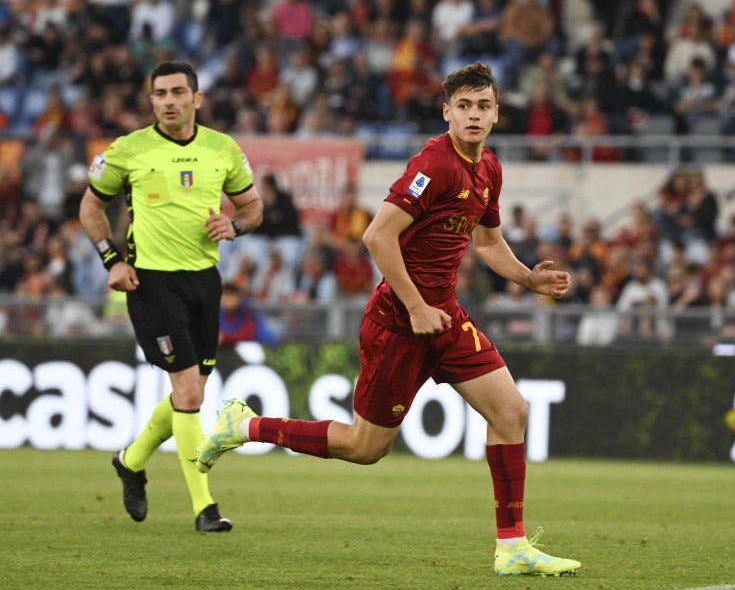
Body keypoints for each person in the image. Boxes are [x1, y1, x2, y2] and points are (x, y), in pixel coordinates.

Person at [196, 62, 581, 577]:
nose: (473, 115)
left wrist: (528, 279)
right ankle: (244, 425)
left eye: (482, 106)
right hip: (400, 322)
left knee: (511, 412)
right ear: (446, 111)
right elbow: (377, 235)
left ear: (495, 115)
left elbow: (487, 242)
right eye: (463, 106)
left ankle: (512, 548)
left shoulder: (488, 167)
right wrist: (417, 306)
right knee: (364, 447)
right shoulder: (434, 164)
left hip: (443, 317)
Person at [79, 61, 263, 532]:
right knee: (187, 389)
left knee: (193, 390)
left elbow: (253, 206)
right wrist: (111, 261)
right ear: (152, 100)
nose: (168, 100)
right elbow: (91, 206)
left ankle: (130, 460)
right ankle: (205, 508)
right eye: (160, 93)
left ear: (196, 99)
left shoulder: (222, 148)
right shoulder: (128, 150)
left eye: (178, 91)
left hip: (205, 281)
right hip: (151, 284)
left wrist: (235, 224)